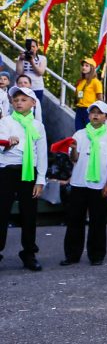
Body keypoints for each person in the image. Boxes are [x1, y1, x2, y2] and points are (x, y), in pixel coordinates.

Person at [62, 101, 107, 266]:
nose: (95, 115)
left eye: (99, 113)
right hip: (79, 183)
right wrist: (73, 148)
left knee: (98, 221)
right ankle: (72, 255)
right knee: (75, 220)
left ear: (105, 117)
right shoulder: (79, 134)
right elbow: (74, 159)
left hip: (98, 185)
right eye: (92, 112)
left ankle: (97, 255)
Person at [0, 86, 47, 271]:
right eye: (16, 99)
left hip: (28, 173)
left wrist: (41, 180)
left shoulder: (37, 126)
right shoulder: (5, 122)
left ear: (33, 103)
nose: (19, 102)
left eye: (23, 99)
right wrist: (7, 144)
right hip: (7, 171)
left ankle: (29, 253)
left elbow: (41, 154)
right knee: (1, 213)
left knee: (29, 214)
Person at [74, 58, 104, 131]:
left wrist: (100, 112)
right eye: (83, 65)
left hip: (89, 110)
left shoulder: (96, 82)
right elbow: (79, 95)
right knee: (78, 131)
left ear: (92, 68)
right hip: (79, 110)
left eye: (87, 66)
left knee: (89, 132)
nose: (84, 67)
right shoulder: (81, 81)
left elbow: (100, 98)